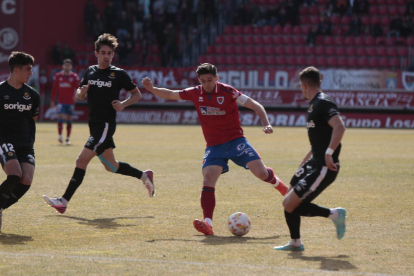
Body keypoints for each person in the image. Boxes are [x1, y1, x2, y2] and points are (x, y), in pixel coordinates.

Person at [142, 63, 288, 236]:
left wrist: (267, 123)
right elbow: (171, 94)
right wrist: (152, 89)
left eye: (210, 80)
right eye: (203, 81)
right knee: (208, 179)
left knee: (261, 173)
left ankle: (284, 189)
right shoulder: (196, 92)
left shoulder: (229, 92)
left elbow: (256, 105)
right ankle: (208, 224)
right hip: (214, 146)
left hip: (235, 141)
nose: (207, 84)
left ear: (216, 78)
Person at [43, 33, 155, 214]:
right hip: (94, 124)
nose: (106, 56)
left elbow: (136, 94)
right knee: (112, 166)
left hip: (105, 126)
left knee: (81, 160)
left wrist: (123, 104)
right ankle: (145, 176)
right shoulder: (90, 71)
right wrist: (82, 92)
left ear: (113, 54)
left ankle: (63, 201)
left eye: (109, 53)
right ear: (96, 53)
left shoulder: (118, 74)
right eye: (103, 52)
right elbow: (80, 94)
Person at [274, 66, 346, 252]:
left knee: (291, 204)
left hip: (323, 167)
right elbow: (319, 141)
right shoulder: (314, 104)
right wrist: (305, 161)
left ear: (304, 85)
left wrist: (329, 153)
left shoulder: (323, 102)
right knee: (287, 200)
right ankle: (296, 243)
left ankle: (335, 215)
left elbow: (340, 127)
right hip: (312, 163)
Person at [0, 52, 40, 231]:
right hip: (4, 140)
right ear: (16, 70)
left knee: (26, 180)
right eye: (28, 69)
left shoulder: (32, 95)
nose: (31, 73)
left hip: (25, 144)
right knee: (15, 175)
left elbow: (33, 119)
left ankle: (1, 207)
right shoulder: (1, 91)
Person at [50, 59, 79, 145]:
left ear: (71, 67)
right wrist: (52, 100)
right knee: (60, 117)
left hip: (70, 102)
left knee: (69, 119)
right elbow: (54, 89)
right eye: (66, 65)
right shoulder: (58, 76)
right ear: (63, 66)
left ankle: (67, 139)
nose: (67, 67)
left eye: (69, 65)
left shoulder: (74, 76)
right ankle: (60, 136)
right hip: (61, 101)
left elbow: (78, 88)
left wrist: (76, 96)